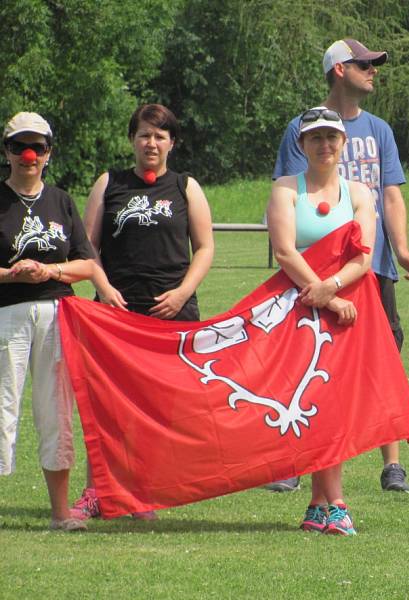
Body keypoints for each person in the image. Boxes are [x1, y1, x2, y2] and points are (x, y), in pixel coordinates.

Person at [268, 38, 409, 493]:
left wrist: (402, 248)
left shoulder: (380, 130)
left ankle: (392, 464)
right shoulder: (304, 128)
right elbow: (293, 197)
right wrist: (305, 277)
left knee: (382, 358)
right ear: (339, 70)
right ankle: (297, 462)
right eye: (365, 64)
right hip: (312, 269)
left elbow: (390, 192)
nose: (374, 71)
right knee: (306, 357)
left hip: (369, 266)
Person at [70, 104, 214, 520]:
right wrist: (104, 288)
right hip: (116, 314)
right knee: (109, 405)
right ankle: (97, 489)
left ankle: (141, 493)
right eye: (144, 134)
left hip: (173, 315)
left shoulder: (186, 186)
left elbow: (204, 248)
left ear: (173, 142)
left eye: (160, 135)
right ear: (132, 139)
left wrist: (182, 292)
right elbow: (88, 246)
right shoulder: (109, 183)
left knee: (158, 410)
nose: (152, 142)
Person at [268, 107, 376, 534]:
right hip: (300, 313)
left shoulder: (359, 192)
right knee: (312, 405)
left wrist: (331, 290)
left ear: (343, 142)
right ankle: (334, 503)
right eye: (315, 138)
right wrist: (326, 296)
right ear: (302, 145)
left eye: (332, 137)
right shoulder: (285, 189)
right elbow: (285, 251)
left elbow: (364, 257)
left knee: (333, 407)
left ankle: (320, 503)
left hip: (348, 315)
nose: (324, 145)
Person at [0, 112, 95, 531]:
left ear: (49, 153)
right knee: (2, 408)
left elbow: (87, 265)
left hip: (58, 312)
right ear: (7, 152)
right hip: (8, 314)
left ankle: (60, 513)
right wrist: (12, 273)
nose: (29, 155)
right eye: (21, 146)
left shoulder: (61, 200)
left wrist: (51, 272)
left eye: (38, 147)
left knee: (56, 411)